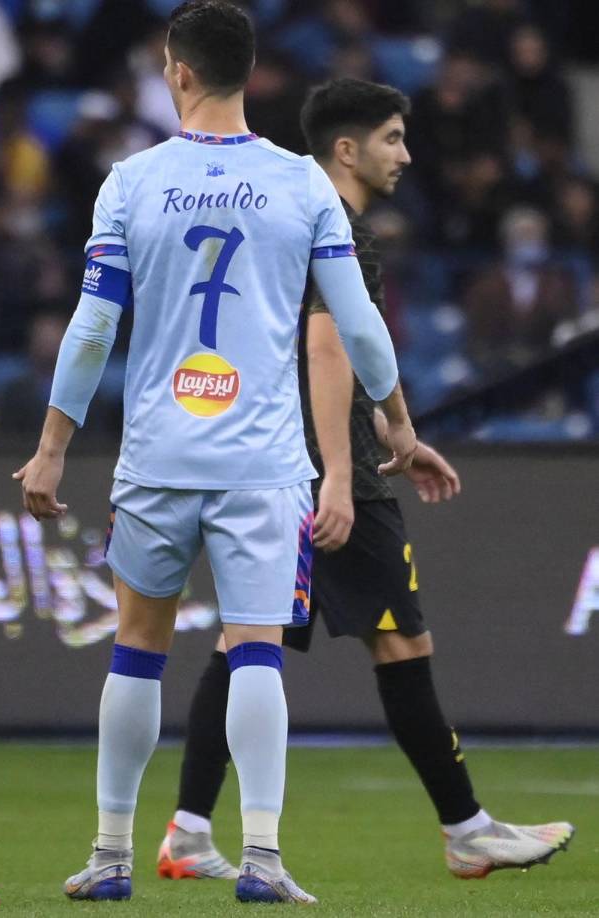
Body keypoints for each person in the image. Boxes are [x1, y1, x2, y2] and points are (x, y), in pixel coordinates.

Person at [14, 3, 417, 905]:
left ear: (178, 72)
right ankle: (264, 860)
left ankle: (112, 855)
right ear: (250, 71)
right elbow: (357, 323)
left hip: (158, 458)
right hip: (263, 466)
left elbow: (91, 329)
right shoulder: (303, 185)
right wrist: (395, 420)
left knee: (136, 652)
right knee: (256, 653)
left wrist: (50, 449)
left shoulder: (130, 181)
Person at [156, 77, 574, 884]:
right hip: (324, 473)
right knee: (399, 639)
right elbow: (326, 349)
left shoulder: (275, 215)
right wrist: (341, 479)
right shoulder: (336, 226)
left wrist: (396, 433)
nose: (407, 154)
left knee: (248, 637)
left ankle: (187, 829)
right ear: (345, 148)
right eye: (392, 137)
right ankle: (467, 829)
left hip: (264, 459)